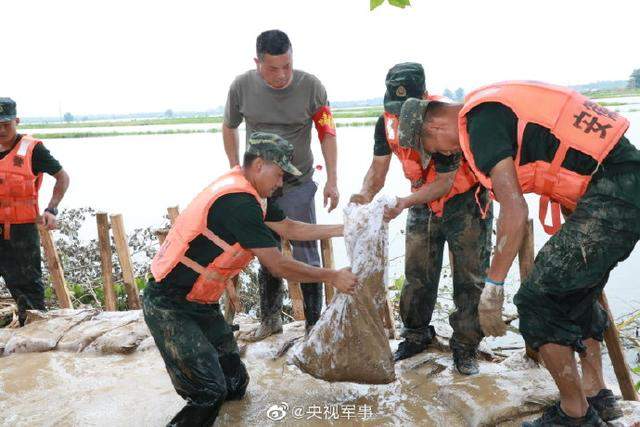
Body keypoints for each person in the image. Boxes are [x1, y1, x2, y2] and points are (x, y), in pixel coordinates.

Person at [397, 81, 640, 426]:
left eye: (429, 146)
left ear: (434, 126)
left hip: (613, 189)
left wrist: (493, 286)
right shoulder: (485, 111)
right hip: (620, 181)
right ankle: (596, 394)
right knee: (574, 294)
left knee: (537, 300)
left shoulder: (480, 123)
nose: (440, 154)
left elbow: (515, 210)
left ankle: (575, 414)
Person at [143, 132, 357, 426]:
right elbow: (277, 265)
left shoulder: (256, 194)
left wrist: (342, 229)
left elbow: (289, 228)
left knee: (235, 385)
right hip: (170, 304)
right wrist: (332, 276)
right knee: (209, 391)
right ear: (259, 165)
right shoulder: (238, 202)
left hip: (201, 303)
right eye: (279, 175)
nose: (281, 183)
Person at [350, 63, 491, 374]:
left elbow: (444, 182)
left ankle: (466, 345)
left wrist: (404, 202)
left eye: (408, 109)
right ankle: (416, 335)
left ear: (425, 98)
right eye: (395, 108)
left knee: (469, 278)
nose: (401, 117)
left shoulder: (444, 123)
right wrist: (362, 197)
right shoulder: (384, 124)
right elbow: (377, 171)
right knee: (417, 273)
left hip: (463, 201)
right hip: (419, 202)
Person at [223, 29, 339, 340]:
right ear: (257, 63)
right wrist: (235, 168)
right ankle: (270, 320)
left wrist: (332, 179)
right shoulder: (241, 87)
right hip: (258, 188)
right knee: (267, 253)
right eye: (273, 68)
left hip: (297, 183)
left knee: (306, 253)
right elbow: (229, 126)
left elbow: (327, 132)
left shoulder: (311, 86)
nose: (281, 75)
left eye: (287, 65)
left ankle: (314, 327)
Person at [0, 97, 70, 326]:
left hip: (21, 232)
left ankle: (36, 349)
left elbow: (62, 177)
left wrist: (52, 209)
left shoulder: (33, 150)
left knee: (28, 292)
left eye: (6, 124)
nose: (1, 129)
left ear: (16, 121)